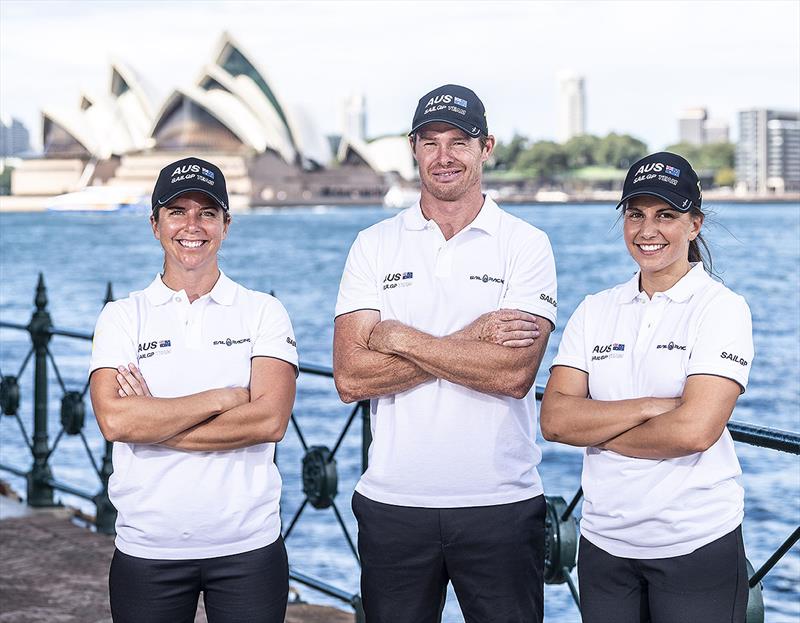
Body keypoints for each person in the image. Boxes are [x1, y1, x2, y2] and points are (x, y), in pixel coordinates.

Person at [333, 84, 557, 623]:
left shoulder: (525, 244)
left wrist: (400, 336)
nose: (443, 156)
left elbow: (512, 374)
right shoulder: (374, 243)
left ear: (487, 147)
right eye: (430, 141)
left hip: (500, 502)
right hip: (393, 503)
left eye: (459, 141)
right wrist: (471, 338)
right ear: (412, 148)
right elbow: (350, 378)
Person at [541, 152, 753, 622]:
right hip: (604, 545)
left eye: (666, 215)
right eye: (635, 214)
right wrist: (650, 407)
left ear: (694, 225)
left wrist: (596, 427)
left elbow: (694, 432)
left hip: (695, 543)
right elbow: (555, 421)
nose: (647, 230)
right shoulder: (596, 309)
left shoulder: (721, 309)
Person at [89, 157, 298, 623]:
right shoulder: (122, 316)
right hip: (147, 549)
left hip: (248, 549)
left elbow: (270, 420)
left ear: (226, 224)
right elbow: (115, 421)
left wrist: (153, 419)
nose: (192, 226)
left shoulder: (263, 312)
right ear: (155, 224)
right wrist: (222, 398)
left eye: (207, 213)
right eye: (177, 211)